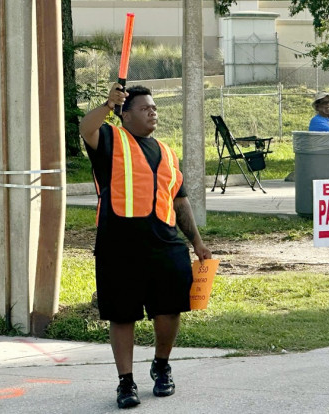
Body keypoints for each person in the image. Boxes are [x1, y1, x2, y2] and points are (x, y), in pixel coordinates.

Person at [79, 84, 212, 409]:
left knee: (169, 310)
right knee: (122, 316)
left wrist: (196, 242)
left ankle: (161, 365)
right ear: (125, 115)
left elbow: (180, 202)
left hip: (166, 243)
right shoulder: (110, 140)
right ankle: (126, 382)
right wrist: (108, 104)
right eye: (144, 108)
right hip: (118, 245)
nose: (152, 111)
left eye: (154, 107)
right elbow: (86, 128)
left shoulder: (167, 152)